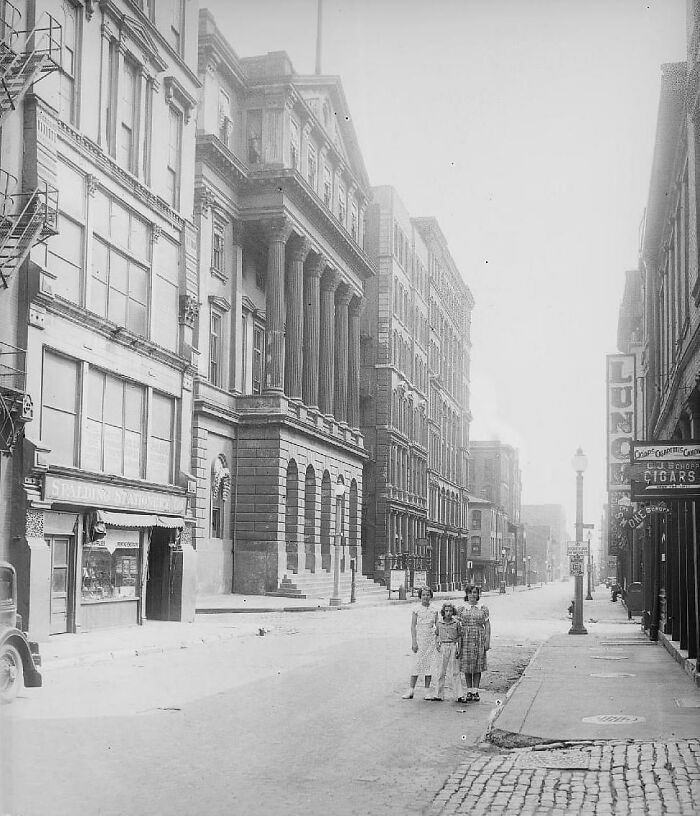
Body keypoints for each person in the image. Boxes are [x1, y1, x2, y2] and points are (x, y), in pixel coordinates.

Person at [401, 586, 438, 700]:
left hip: (431, 640)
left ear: (430, 596)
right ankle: (411, 690)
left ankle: (427, 691)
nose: (425, 597)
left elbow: (438, 626)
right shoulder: (416, 609)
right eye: (423, 595)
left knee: (428, 665)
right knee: (416, 664)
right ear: (420, 596)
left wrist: (437, 639)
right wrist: (414, 642)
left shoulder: (435, 610)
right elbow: (413, 626)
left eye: (427, 595)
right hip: (420, 639)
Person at [457, 585, 490, 702]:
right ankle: (469, 690)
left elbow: (487, 625)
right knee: (466, 665)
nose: (472, 595)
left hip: (478, 638)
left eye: (475, 592)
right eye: (470, 593)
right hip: (465, 638)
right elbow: (457, 625)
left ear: (478, 594)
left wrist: (487, 641)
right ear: (467, 594)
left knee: (477, 664)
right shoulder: (462, 608)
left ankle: (475, 691)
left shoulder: (483, 608)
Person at [426, 602, 462, 702]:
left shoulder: (456, 622)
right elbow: (436, 634)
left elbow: (459, 636)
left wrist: (459, 648)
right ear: (443, 612)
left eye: (450, 611)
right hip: (443, 646)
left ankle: (458, 695)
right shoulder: (439, 622)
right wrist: (437, 644)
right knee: (440, 671)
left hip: (453, 645)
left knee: (455, 671)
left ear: (453, 611)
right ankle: (438, 694)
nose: (448, 613)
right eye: (446, 611)